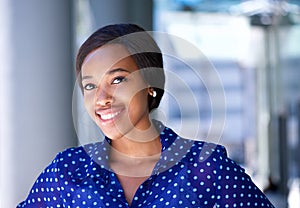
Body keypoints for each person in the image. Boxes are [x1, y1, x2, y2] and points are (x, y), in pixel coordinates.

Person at [17, 23, 274, 208]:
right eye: (90, 86)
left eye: (117, 79)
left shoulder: (206, 167)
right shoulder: (68, 169)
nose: (101, 98)